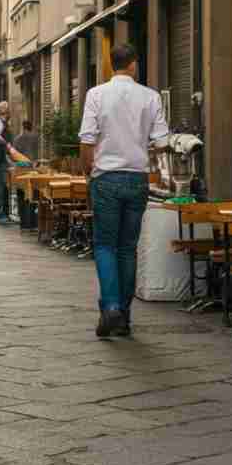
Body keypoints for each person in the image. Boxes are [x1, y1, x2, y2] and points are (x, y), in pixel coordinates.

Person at [79, 43, 170, 339]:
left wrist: (90, 171)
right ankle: (124, 318)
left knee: (105, 245)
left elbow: (86, 141)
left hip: (105, 178)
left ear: (111, 64)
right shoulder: (150, 97)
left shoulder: (96, 95)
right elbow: (161, 142)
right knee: (127, 247)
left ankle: (111, 308)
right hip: (136, 179)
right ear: (133, 64)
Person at [0, 101, 25, 225]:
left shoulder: (4, 124)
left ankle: (5, 213)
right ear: (2, 112)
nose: (10, 112)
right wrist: (7, 145)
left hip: (3, 160)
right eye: (8, 110)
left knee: (4, 187)